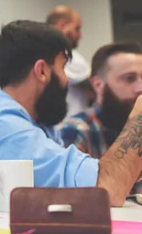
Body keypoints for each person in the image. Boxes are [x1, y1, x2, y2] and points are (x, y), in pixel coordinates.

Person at [0, 20, 142, 209]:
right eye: (63, 68)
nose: (67, 80)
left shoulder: (39, 125)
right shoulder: (0, 122)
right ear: (42, 70)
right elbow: (105, 189)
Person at [59, 42, 142, 194]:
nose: (140, 88)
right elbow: (71, 199)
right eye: (130, 79)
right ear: (98, 84)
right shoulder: (77, 130)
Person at [46, 5, 93, 117]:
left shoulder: (41, 52)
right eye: (77, 28)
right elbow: (95, 91)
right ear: (62, 25)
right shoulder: (66, 55)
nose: (80, 35)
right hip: (71, 123)